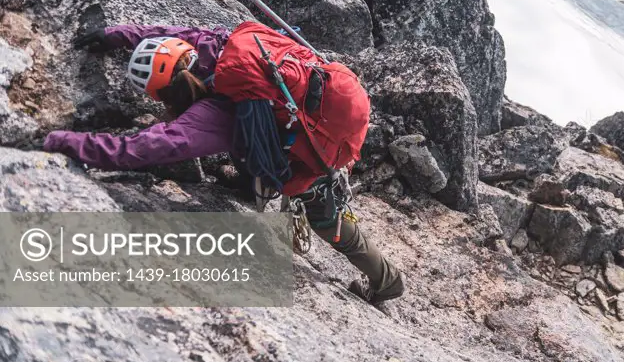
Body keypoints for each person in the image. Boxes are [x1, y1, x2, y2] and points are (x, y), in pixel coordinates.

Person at [44, 23, 405, 306]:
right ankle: (251, 185)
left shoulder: (213, 117)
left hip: (313, 148)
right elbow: (165, 36)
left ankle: (388, 281)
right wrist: (116, 35)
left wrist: (66, 142)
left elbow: (143, 148)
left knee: (326, 219)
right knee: (255, 136)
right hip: (327, 98)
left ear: (165, 94)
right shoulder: (213, 45)